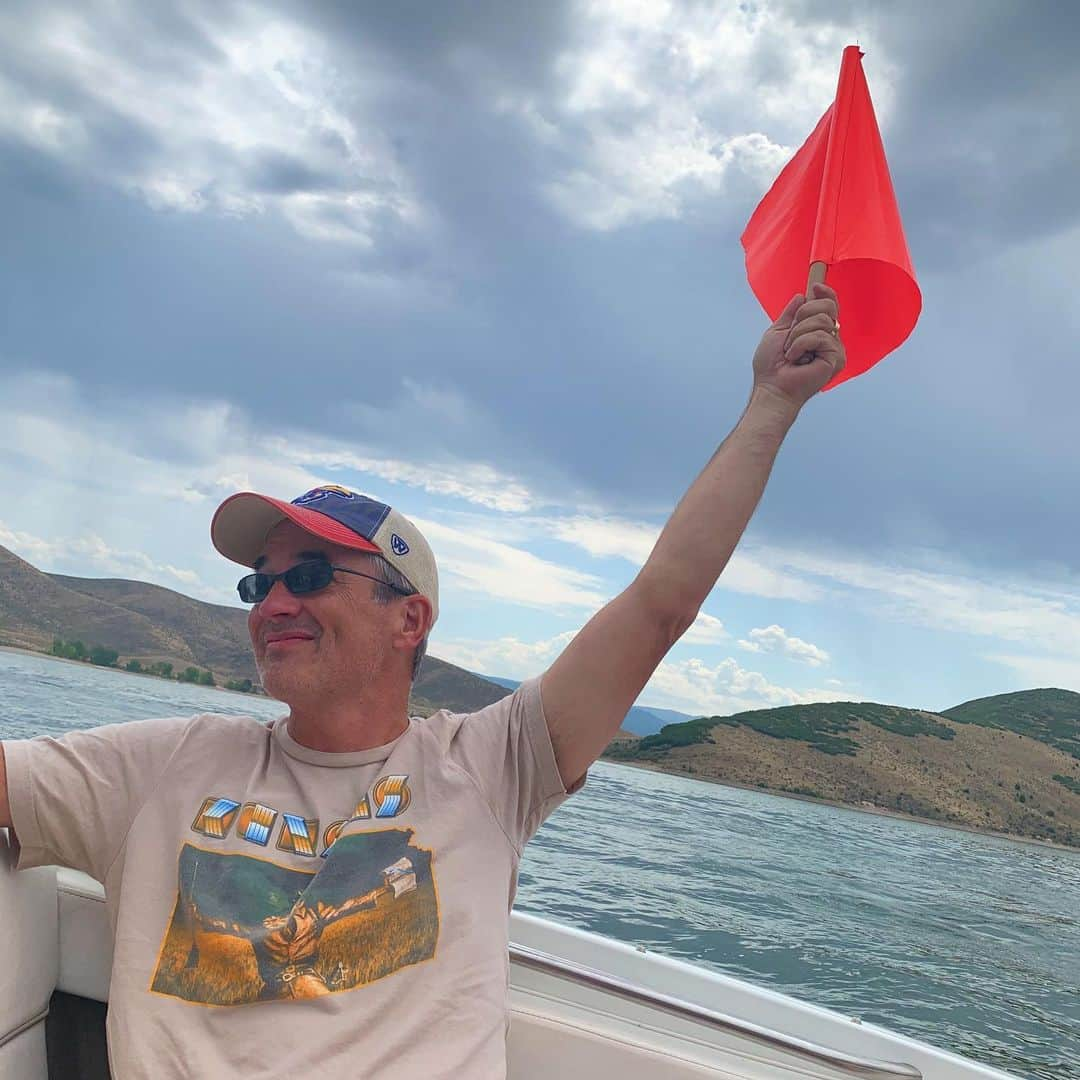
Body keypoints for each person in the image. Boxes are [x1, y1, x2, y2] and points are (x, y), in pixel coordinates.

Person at [0, 285, 844, 1078]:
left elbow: (662, 602)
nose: (272, 604)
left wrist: (772, 402)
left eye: (312, 575)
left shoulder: (491, 766)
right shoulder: (160, 765)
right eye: (261, 582)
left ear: (411, 620)